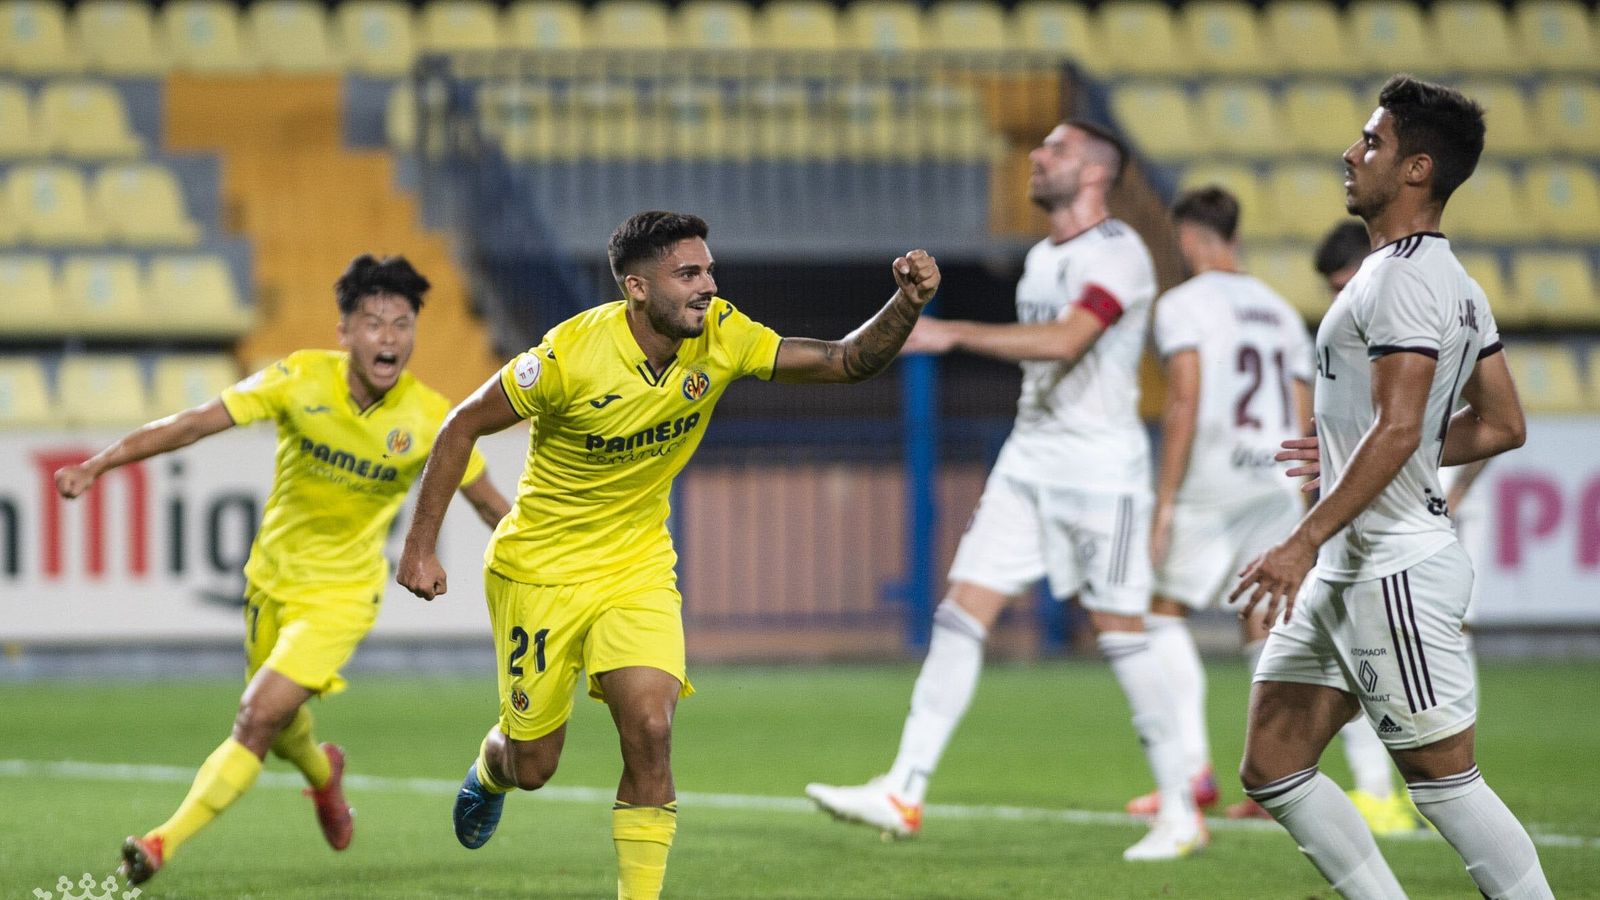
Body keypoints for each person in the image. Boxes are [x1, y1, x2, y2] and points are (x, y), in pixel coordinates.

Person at [395, 211, 940, 900]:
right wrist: (420, 548)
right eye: (689, 274)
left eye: (709, 270)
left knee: (651, 728)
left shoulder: (723, 335)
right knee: (534, 764)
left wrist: (907, 302)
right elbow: (460, 425)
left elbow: (844, 361)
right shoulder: (567, 357)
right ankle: (492, 767)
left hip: (637, 566)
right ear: (637, 288)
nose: (708, 286)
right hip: (541, 570)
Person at [805, 120, 1205, 862]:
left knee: (1120, 629)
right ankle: (904, 789)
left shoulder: (1118, 254)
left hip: (1100, 468)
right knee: (962, 612)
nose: (1035, 158)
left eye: (1053, 151)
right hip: (1031, 458)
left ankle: (1180, 808)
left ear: (1091, 173)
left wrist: (953, 332)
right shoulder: (1040, 260)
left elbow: (1066, 340)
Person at [54, 255, 512, 886]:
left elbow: (492, 506)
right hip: (270, 583)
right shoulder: (299, 377)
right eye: (373, 322)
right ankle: (325, 777)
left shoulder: (431, 418)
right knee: (281, 728)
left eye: (402, 324)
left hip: (343, 597)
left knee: (256, 714)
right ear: (344, 332)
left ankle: (161, 843)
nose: (389, 337)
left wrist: (553, 559)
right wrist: (99, 465)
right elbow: (192, 423)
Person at [1232, 76, 1552, 898]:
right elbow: (1502, 422)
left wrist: (1303, 536)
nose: (1350, 152)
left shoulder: (1402, 278)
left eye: (1368, 143)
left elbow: (1404, 427)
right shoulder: (1445, 280)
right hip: (1350, 567)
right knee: (1272, 763)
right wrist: (1353, 456)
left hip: (1391, 568)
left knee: (1445, 783)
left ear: (1415, 169)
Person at [1213, 222, 1433, 833]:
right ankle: (1348, 787)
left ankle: (1392, 793)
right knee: (1327, 649)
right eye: (1335, 287)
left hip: (1396, 519)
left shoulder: (1406, 323)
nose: (1342, 295)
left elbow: (1430, 425)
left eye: (1348, 282)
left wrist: (1309, 530)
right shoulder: (1346, 330)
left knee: (1371, 661)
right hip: (1341, 514)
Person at [1125, 186, 1316, 826]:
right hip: (1276, 480)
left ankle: (1191, 773)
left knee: (1161, 608)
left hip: (1212, 473)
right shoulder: (1280, 310)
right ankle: (1276, 783)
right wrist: (1306, 499)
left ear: (1188, 238)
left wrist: (1165, 498)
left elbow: (1184, 398)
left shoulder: (1181, 304)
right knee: (1265, 622)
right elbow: (1302, 412)